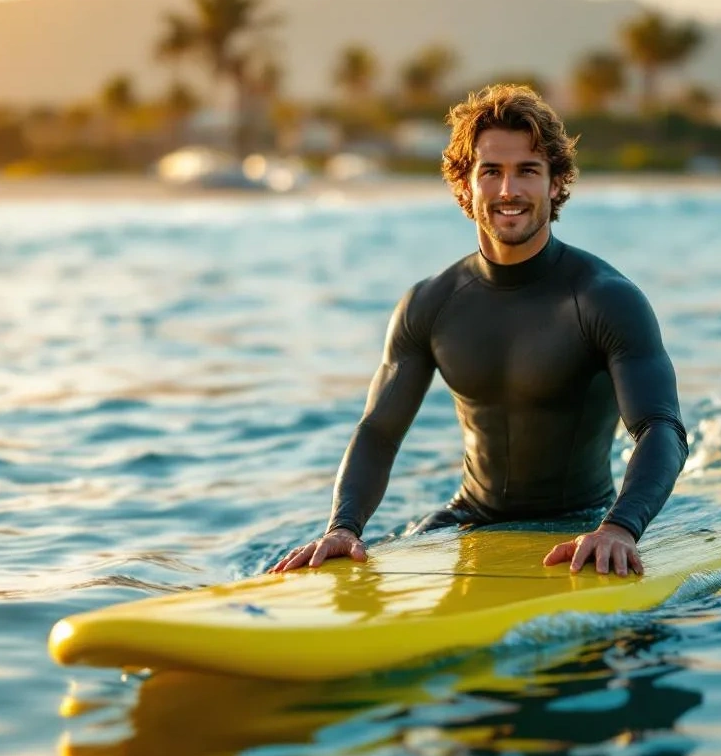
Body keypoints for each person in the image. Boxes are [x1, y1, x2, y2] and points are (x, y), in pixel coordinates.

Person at [269, 84, 687, 577]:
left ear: (555, 185)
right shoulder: (429, 304)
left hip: (581, 522)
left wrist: (620, 527)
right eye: (491, 172)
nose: (508, 190)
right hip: (466, 520)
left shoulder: (605, 299)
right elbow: (379, 432)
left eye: (528, 171)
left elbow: (661, 429)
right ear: (465, 186)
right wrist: (343, 527)